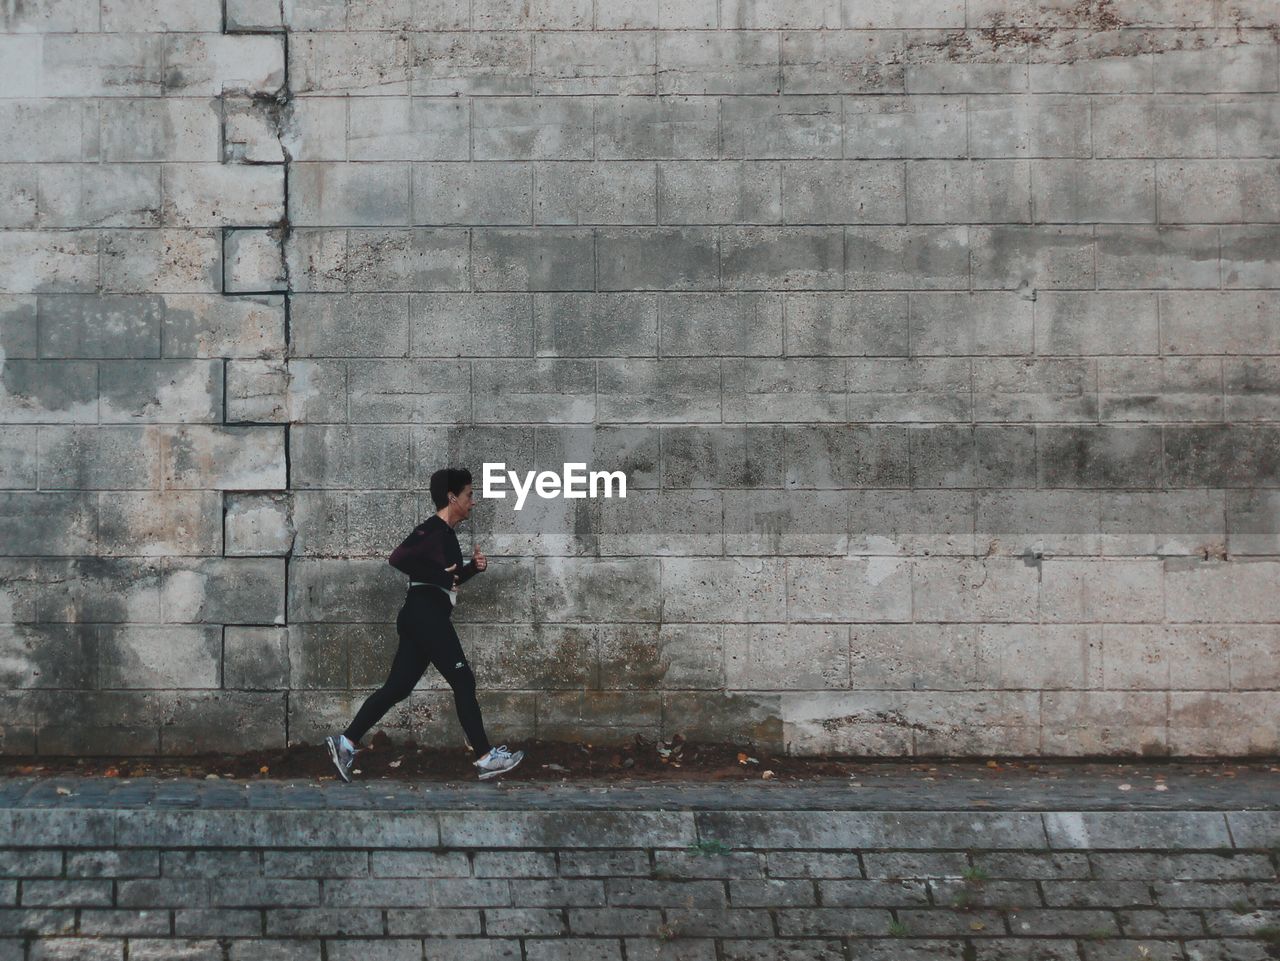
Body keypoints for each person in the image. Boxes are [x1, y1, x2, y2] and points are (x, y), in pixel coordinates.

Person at [325, 467, 525, 781]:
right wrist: (441, 576)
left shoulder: (445, 536)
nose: (473, 502)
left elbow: (448, 579)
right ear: (452, 498)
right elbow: (398, 558)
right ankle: (486, 757)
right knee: (464, 682)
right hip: (425, 616)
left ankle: (346, 742)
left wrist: (472, 569)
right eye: (469, 495)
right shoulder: (432, 529)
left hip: (423, 617)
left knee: (397, 688)